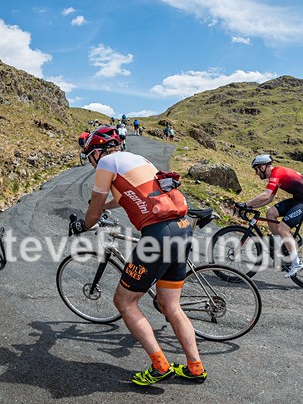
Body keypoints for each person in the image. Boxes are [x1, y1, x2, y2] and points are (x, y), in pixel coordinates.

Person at [72, 127, 206, 385]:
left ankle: (159, 366)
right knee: (171, 306)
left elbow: (96, 207)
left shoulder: (106, 162)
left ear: (96, 152)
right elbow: (124, 198)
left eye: (89, 155)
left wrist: (83, 225)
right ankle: (195, 366)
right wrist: (102, 208)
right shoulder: (134, 159)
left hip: (157, 235)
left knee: (125, 302)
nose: (90, 161)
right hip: (181, 228)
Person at [235, 154, 303, 277]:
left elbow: (265, 195)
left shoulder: (276, 173)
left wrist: (245, 204)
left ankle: (296, 263)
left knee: (283, 228)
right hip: (299, 200)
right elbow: (269, 199)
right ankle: (279, 249)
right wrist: (250, 207)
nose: (256, 173)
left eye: (256, 169)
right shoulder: (275, 175)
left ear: (263, 167)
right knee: (271, 213)